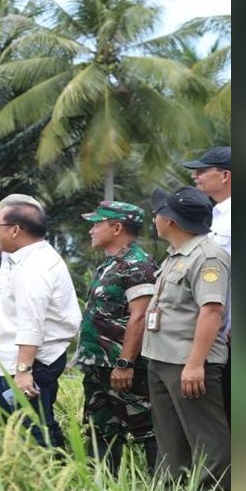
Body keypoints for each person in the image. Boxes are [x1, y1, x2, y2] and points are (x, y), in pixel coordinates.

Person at [143, 186, 230, 491]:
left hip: (187, 361)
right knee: (170, 437)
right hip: (162, 357)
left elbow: (211, 311)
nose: (154, 217)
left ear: (172, 221)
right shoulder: (175, 256)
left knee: (207, 438)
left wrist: (195, 365)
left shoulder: (207, 257)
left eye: (159, 212)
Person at [0, 197, 81, 449]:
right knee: (31, 423)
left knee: (32, 427)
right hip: (21, 361)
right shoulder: (25, 259)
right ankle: (59, 469)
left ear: (15, 230)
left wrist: (23, 371)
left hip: (31, 363)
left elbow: (31, 323)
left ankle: (58, 476)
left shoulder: (33, 268)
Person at [75, 201, 159, 473]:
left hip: (123, 368)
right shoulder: (111, 265)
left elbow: (140, 317)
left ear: (117, 227)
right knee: (100, 428)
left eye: (97, 224)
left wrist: (125, 363)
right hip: (99, 367)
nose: (92, 230)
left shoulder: (138, 266)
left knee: (146, 429)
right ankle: (103, 490)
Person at [183, 146, 232, 424]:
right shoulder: (215, 215)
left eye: (202, 171)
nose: (196, 177)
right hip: (217, 330)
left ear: (225, 175)